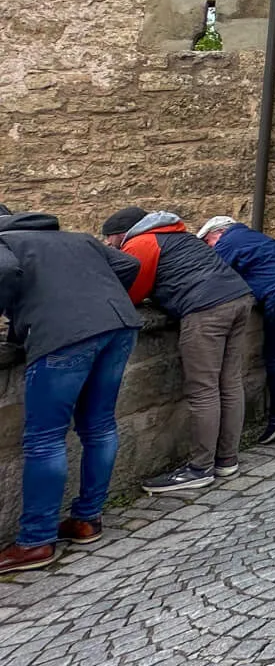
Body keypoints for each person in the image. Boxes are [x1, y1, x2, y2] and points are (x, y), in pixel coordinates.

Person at [0, 205, 143, 575]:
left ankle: (35, 540)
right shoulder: (78, 239)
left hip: (64, 335)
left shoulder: (4, 241)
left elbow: (5, 271)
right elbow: (128, 265)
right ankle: (87, 519)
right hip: (118, 325)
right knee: (99, 426)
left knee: (44, 439)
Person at [101, 206, 254, 494]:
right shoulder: (178, 235)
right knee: (230, 383)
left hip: (206, 308)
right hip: (238, 297)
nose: (110, 246)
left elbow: (133, 291)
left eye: (110, 240)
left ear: (121, 235)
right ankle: (227, 459)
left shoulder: (141, 243)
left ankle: (200, 467)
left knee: (203, 388)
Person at [197, 217, 275, 445]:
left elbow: (213, 276)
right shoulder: (252, 236)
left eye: (207, 241)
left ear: (219, 232)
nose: (209, 247)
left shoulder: (227, 242)